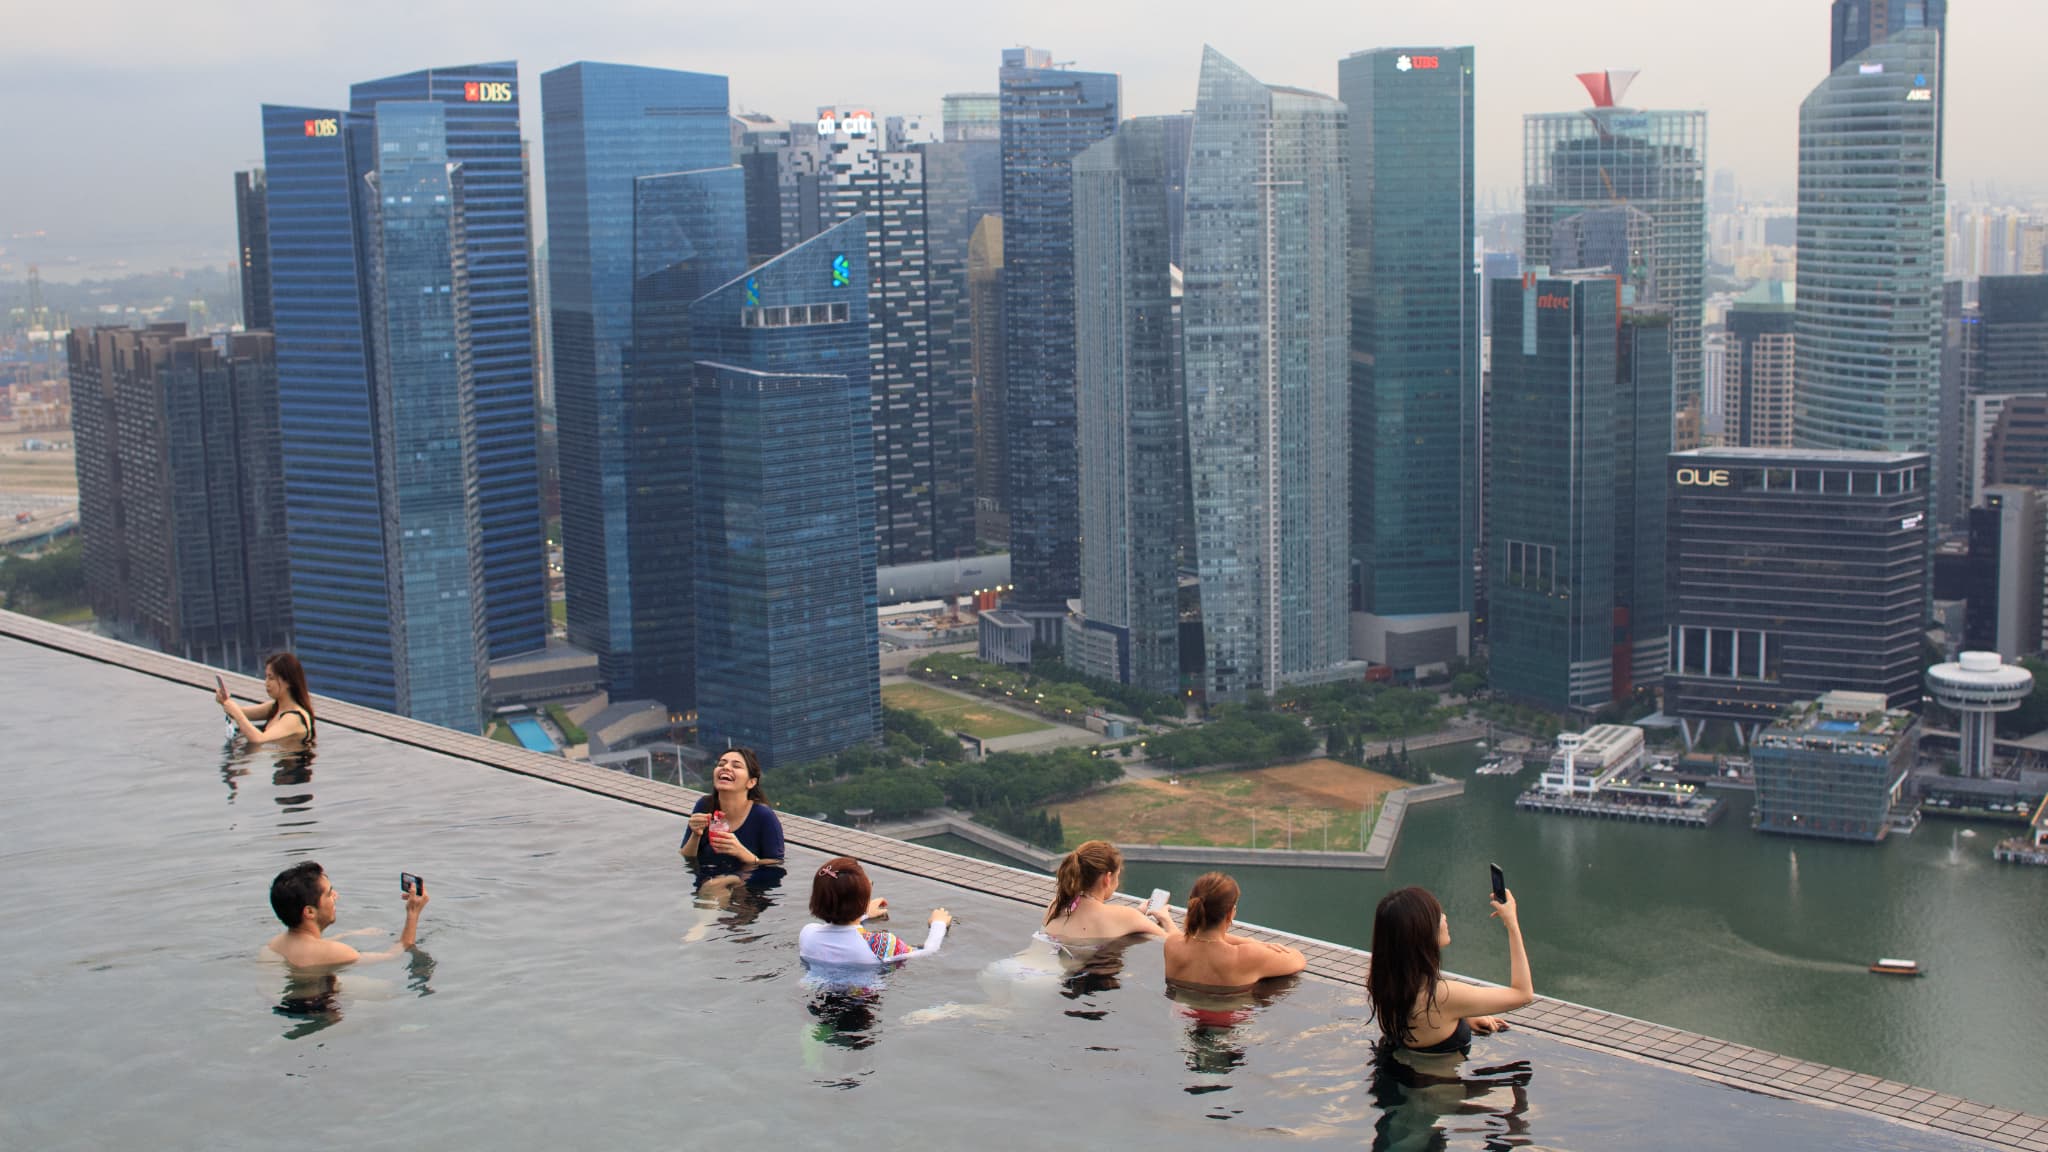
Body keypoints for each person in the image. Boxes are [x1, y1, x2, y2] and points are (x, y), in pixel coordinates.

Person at [1366, 885, 1533, 1058]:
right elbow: (1523, 994)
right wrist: (1512, 923)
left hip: (1400, 1073)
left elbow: (1433, 1014)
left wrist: (1464, 1015)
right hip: (1443, 1084)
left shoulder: (1386, 980)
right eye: (1438, 916)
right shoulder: (1444, 996)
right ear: (1423, 933)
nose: (1445, 918)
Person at [262, 861, 426, 969]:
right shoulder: (339, 953)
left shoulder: (274, 944)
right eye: (329, 893)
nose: (336, 896)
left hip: (297, 1002)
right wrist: (413, 913)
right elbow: (393, 955)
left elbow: (311, 948)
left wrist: (348, 934)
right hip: (323, 1011)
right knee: (385, 991)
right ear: (309, 912)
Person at [1162, 872, 1306, 988]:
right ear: (1231, 913)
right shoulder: (1246, 956)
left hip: (1182, 1013)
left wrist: (1247, 941)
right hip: (1225, 1021)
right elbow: (1298, 959)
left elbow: (1190, 937)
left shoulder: (1172, 944)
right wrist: (1254, 944)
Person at [799, 857, 950, 966]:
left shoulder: (807, 934)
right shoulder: (881, 944)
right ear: (862, 899)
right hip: (863, 1002)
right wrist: (939, 923)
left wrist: (863, 914)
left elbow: (844, 934)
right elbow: (928, 952)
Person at [1041, 840, 1175, 940]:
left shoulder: (1056, 905)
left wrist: (1138, 913)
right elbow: (1178, 946)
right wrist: (1166, 919)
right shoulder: (1127, 917)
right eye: (1117, 876)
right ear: (1107, 878)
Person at [680, 747, 784, 869]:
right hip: (708, 881)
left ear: (751, 782)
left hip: (745, 884)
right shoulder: (704, 805)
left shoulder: (763, 815)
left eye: (736, 766)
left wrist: (741, 852)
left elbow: (776, 864)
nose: (726, 767)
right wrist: (695, 834)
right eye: (721, 764)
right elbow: (687, 858)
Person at [216, 653, 317, 746]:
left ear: (288, 682)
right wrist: (225, 702)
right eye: (266, 677)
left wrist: (235, 712)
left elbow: (259, 739)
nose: (266, 683)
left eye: (271, 678)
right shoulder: (276, 706)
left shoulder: (294, 718)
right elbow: (241, 713)